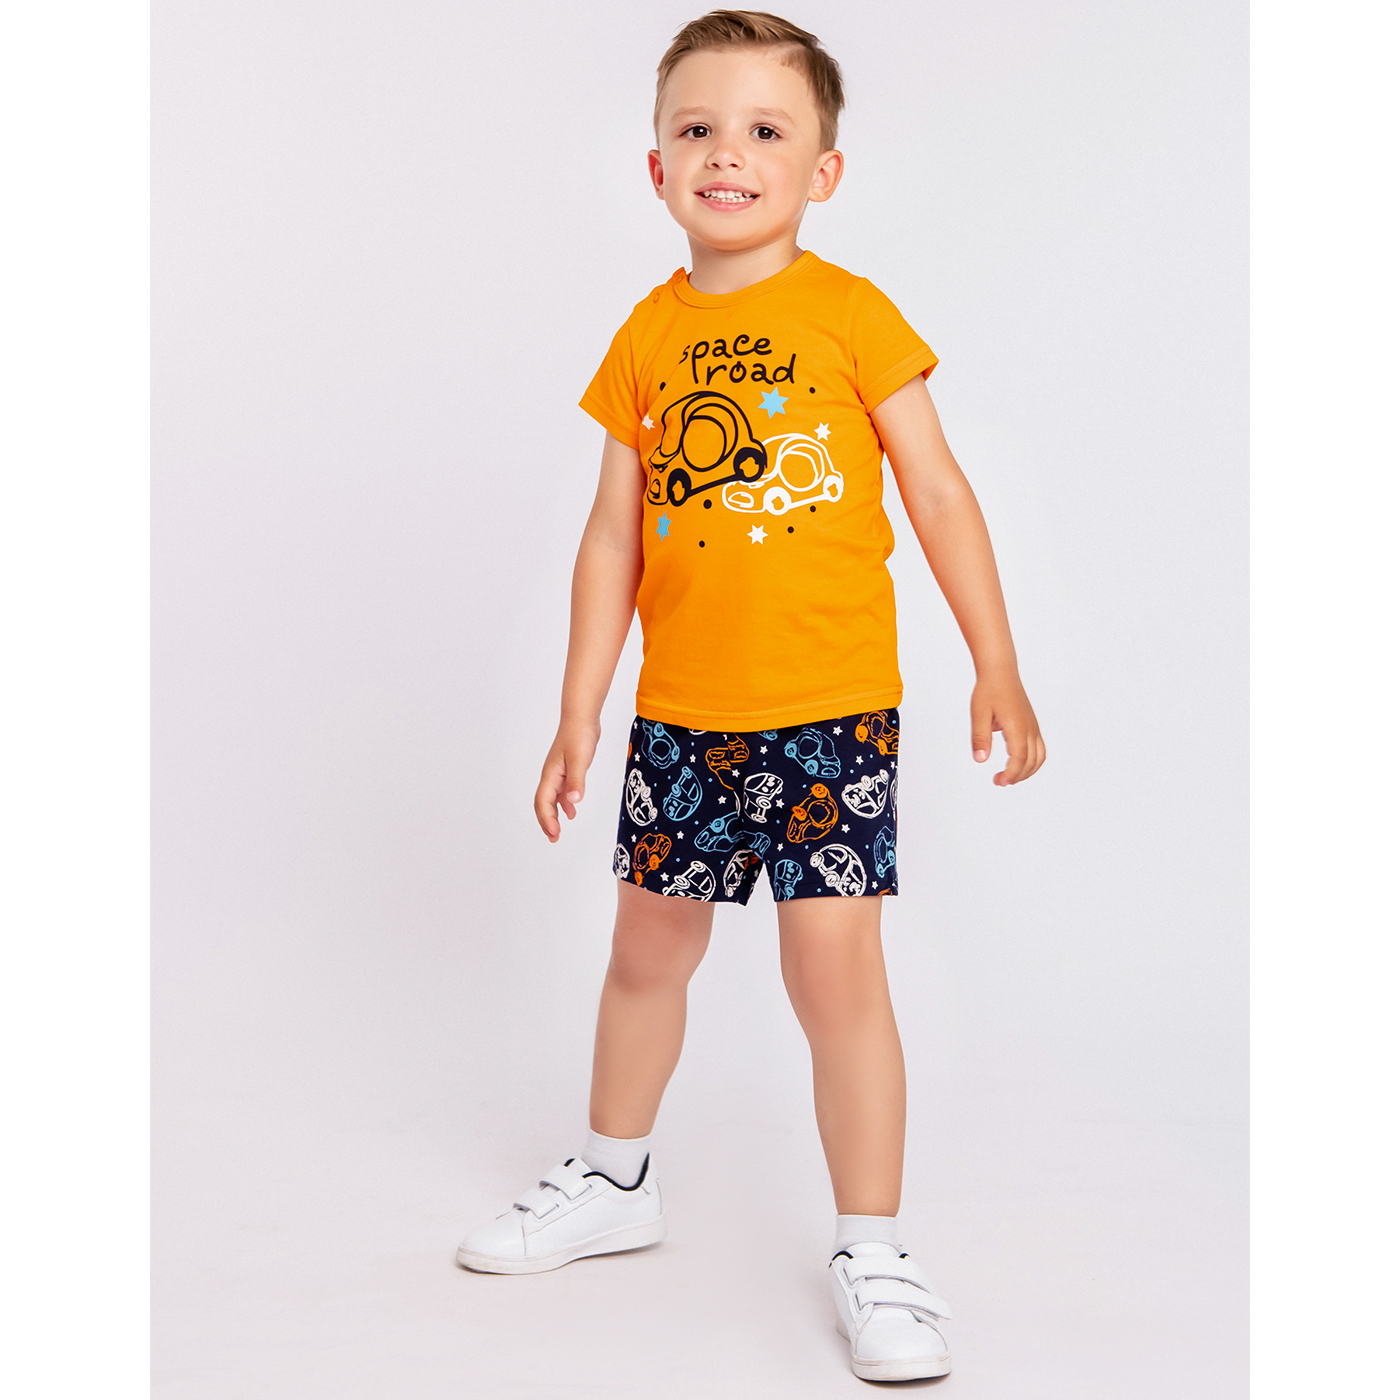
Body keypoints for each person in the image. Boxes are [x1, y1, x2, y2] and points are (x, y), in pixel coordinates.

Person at [457, 10, 1045, 1382]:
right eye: (698, 128)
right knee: (645, 953)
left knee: (834, 972)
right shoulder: (646, 338)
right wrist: (578, 710)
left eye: (765, 130)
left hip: (830, 714)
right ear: (656, 165)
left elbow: (938, 490)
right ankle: (614, 1179)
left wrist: (996, 659)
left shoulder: (851, 315)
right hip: (682, 719)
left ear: (822, 170)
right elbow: (612, 538)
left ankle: (874, 1248)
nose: (728, 153)